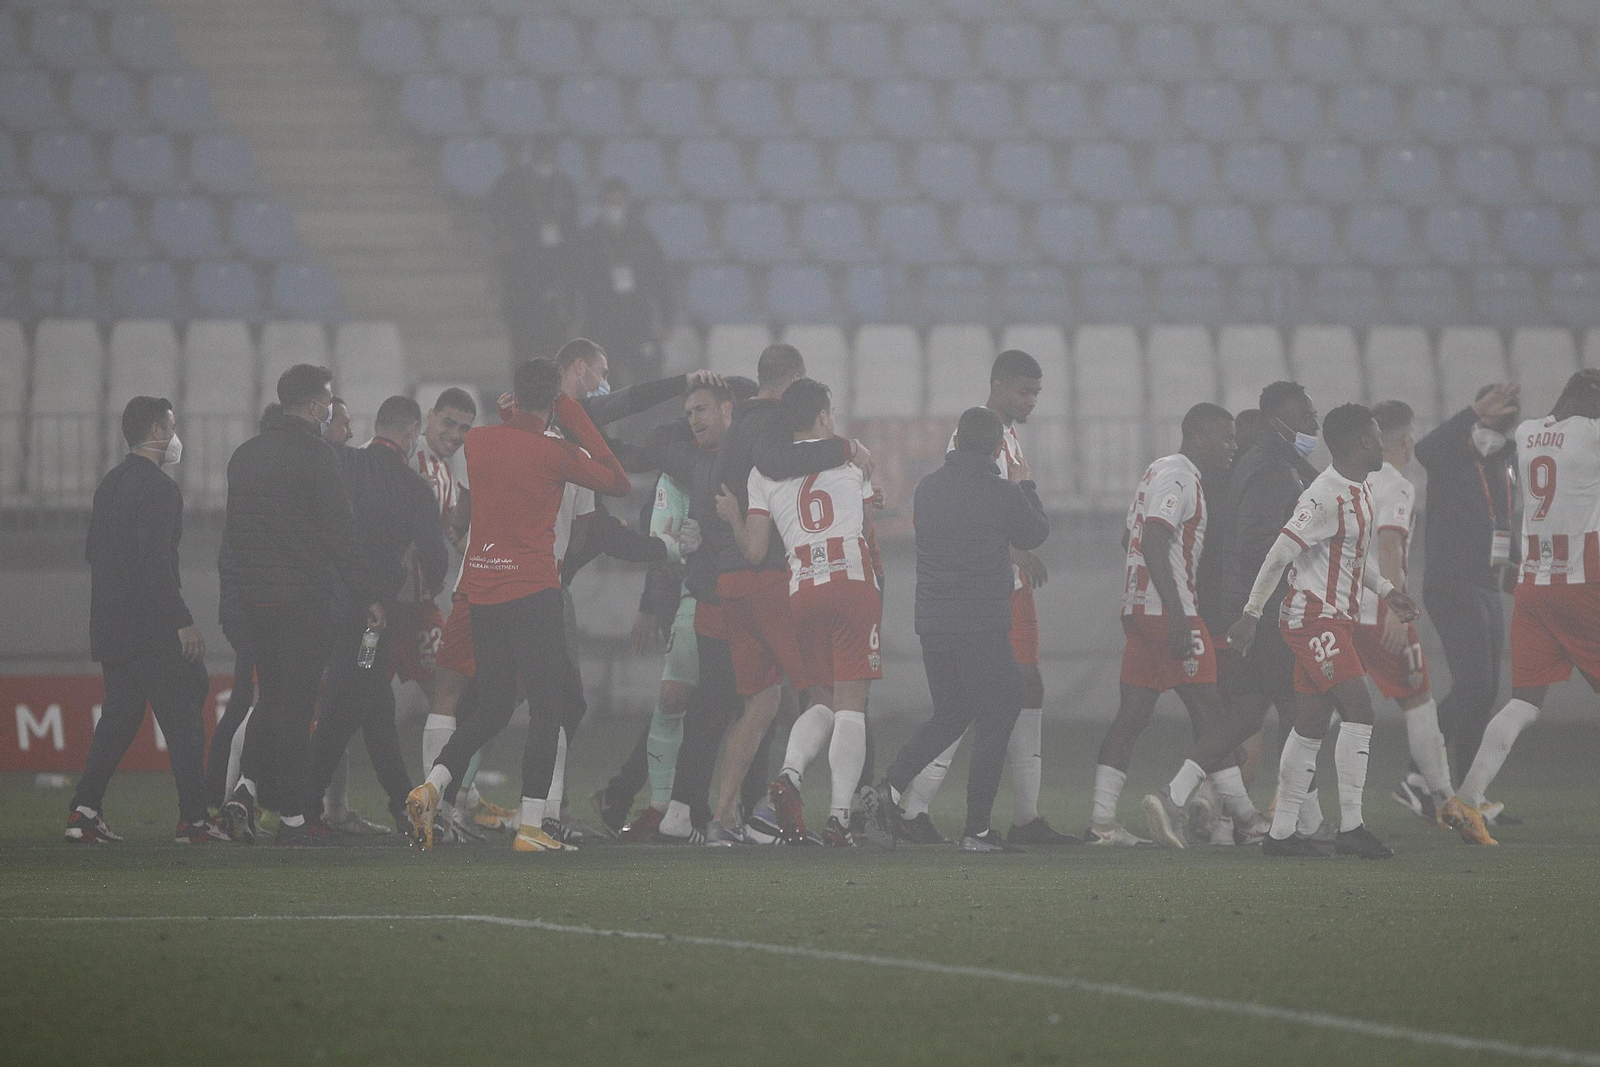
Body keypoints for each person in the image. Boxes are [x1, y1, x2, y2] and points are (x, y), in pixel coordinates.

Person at [406, 359, 632, 853]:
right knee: (549, 708)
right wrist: (575, 419)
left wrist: (521, 417)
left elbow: (490, 480)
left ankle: (433, 785)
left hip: (483, 592)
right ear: (553, 401)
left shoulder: (479, 442)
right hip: (533, 592)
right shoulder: (556, 452)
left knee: (490, 708)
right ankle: (532, 827)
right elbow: (619, 482)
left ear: (514, 394)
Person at [1228, 403, 1423, 860]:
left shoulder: (1359, 491)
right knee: (1359, 710)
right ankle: (1352, 827)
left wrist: (1387, 591)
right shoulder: (1323, 497)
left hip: (1336, 618)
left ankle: (1280, 834)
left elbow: (1350, 558)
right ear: (1362, 443)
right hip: (1313, 618)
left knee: (1310, 726)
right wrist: (1251, 613)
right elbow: (1279, 552)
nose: (1382, 445)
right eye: (1377, 438)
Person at [895, 350, 1075, 846]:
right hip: (985, 592)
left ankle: (1024, 818)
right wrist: (1018, 552)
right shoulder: (973, 436)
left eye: (1036, 393)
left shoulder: (1004, 435)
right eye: (1023, 391)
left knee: (1021, 691)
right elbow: (971, 510)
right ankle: (919, 808)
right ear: (997, 385)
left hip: (999, 588)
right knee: (985, 699)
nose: (1031, 401)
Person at [700, 343, 871, 845]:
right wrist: (848, 450)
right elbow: (781, 462)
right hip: (780, 582)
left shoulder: (741, 435)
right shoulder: (776, 432)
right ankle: (784, 808)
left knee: (761, 703)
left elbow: (747, 516)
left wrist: (732, 521)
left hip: (736, 580)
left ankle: (724, 817)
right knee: (826, 697)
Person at [1075, 403, 1265, 849]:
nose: (1232, 446)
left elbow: (1130, 536)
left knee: (1133, 714)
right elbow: (1154, 537)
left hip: (1139, 610)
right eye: (1225, 437)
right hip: (1170, 612)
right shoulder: (1181, 477)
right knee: (1214, 719)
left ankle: (1101, 823)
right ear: (1198, 437)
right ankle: (1240, 819)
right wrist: (1178, 614)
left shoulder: (1156, 471)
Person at [861, 406, 1050, 853]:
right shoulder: (1003, 492)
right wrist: (1025, 483)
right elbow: (1035, 533)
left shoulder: (927, 489)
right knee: (1003, 704)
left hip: (933, 621)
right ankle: (977, 830)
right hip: (980, 620)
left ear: (958, 441)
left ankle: (889, 788)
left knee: (951, 712)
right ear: (997, 448)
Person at [221, 365, 382, 847]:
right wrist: (367, 593)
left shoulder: (244, 456)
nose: (330, 409)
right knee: (295, 708)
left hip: (256, 599)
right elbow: (340, 532)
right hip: (302, 600)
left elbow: (235, 533)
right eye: (328, 401)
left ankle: (246, 789)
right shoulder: (318, 456)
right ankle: (291, 816)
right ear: (314, 406)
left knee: (270, 698)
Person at [1446, 370, 1600, 839]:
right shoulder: (1593, 434)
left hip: (1533, 586)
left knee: (1523, 703)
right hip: (1581, 582)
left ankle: (1467, 798)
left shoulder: (1530, 432)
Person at [66, 397, 226, 844]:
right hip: (151, 627)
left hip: (110, 624)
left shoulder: (110, 484)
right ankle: (194, 821)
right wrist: (181, 620)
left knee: (120, 715)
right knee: (186, 708)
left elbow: (94, 553)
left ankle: (84, 811)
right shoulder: (160, 488)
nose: (175, 436)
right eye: (171, 427)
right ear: (156, 430)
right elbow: (155, 561)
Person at [305, 396, 449, 838]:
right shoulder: (413, 488)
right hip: (373, 620)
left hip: (331, 604)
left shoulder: (343, 464)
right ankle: (300, 804)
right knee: (346, 704)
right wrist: (428, 585)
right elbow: (436, 558)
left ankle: (401, 804)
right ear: (411, 432)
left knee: (373, 703)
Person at [1356, 401, 1493, 844]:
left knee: (1324, 710)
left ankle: (1286, 806)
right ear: (1405, 441)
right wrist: (1396, 607)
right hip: (1379, 610)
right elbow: (1390, 545)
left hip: (1339, 609)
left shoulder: (1350, 481)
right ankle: (1444, 800)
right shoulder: (1396, 485)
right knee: (1419, 704)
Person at [1221, 380, 1330, 841]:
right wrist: (1301, 557)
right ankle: (1305, 821)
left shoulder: (1274, 463)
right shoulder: (1272, 470)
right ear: (1275, 421)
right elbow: (1256, 544)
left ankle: (1186, 791)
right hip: (1268, 611)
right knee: (1300, 711)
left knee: (1254, 713)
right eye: (1305, 416)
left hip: (1260, 607)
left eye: (1314, 415)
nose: (1314, 425)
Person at [1414, 381, 1522, 816]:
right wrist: (1473, 410)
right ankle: (1416, 776)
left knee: (1484, 691)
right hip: (1453, 581)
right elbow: (1424, 449)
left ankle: (1466, 795)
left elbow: (1501, 515)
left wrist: (1515, 559)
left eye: (1510, 413)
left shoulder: (1505, 459)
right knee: (1473, 686)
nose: (1503, 422)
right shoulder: (1451, 454)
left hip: (1486, 581)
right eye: (1495, 414)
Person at [487, 136, 581, 363]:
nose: (546, 157)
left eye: (550, 152)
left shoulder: (565, 186)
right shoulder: (512, 184)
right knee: (523, 345)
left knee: (554, 345)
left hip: (556, 272)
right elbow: (497, 218)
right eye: (542, 152)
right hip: (522, 275)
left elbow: (572, 229)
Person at [577, 178, 671, 385]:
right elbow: (578, 282)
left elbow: (661, 279)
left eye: (618, 203)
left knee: (647, 377)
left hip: (638, 317)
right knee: (607, 381)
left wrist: (667, 317)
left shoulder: (643, 238)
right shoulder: (589, 239)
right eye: (609, 203)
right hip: (602, 320)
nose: (614, 209)